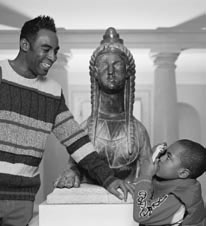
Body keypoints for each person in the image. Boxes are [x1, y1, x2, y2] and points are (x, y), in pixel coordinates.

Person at [0, 15, 133, 226]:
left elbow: (77, 142)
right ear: (25, 45)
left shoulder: (52, 92)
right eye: (46, 49)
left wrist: (108, 178)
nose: (52, 57)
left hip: (21, 199)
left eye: (56, 51)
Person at [55, 27, 151, 187]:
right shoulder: (85, 129)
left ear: (128, 72)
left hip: (126, 201)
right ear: (95, 73)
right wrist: (71, 172)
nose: (111, 71)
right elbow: (74, 166)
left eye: (117, 64)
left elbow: (147, 172)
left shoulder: (138, 131)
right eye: (104, 65)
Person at [133, 139, 206, 226]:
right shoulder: (167, 180)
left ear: (183, 173)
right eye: (164, 153)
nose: (160, 158)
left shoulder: (178, 200)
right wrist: (152, 155)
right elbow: (145, 190)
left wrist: (145, 176)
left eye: (168, 157)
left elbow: (141, 214)